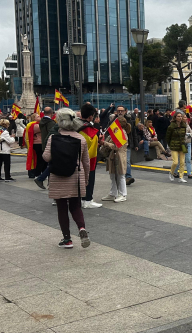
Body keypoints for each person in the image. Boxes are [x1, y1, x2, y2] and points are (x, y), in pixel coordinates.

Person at [43, 108, 91, 248]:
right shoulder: (81, 139)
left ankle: (67, 239)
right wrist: (86, 179)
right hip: (75, 177)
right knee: (75, 206)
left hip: (58, 176)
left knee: (62, 208)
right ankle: (82, 229)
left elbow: (46, 157)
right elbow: (86, 162)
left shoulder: (53, 138)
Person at [102, 116, 132, 201]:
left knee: (120, 175)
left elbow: (117, 147)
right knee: (112, 175)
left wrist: (105, 143)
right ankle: (113, 193)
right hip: (114, 156)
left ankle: (123, 194)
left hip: (119, 156)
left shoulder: (122, 134)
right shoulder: (117, 132)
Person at [78, 104, 102, 208]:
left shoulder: (74, 126)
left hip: (75, 158)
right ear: (91, 116)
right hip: (87, 158)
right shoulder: (90, 130)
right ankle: (88, 200)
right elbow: (92, 147)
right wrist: (99, 140)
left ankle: (80, 199)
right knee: (89, 177)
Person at [166, 111, 188, 184]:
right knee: (175, 162)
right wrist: (170, 145)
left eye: (181, 116)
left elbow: (184, 135)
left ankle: (181, 177)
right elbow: (168, 137)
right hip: (174, 145)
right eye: (178, 116)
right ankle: (171, 172)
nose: (180, 118)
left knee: (182, 162)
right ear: (175, 117)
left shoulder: (184, 125)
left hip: (182, 145)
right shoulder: (171, 126)